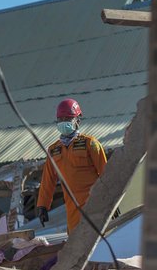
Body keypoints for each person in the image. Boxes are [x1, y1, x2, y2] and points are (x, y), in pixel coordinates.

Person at [36, 98, 108, 233]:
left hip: (95, 204)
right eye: (61, 119)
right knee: (76, 245)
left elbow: (106, 174)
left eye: (68, 119)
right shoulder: (53, 150)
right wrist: (43, 206)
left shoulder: (90, 144)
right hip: (72, 209)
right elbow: (48, 180)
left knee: (99, 240)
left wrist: (111, 200)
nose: (64, 122)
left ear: (78, 121)